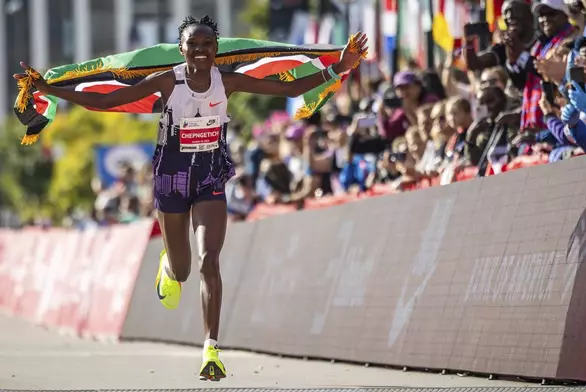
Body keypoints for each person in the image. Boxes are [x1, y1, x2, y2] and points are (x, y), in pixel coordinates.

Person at [14, 15, 368, 381]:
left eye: (207, 45)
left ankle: (211, 349)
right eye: (193, 45)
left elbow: (287, 90)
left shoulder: (225, 81)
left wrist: (337, 69)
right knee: (183, 270)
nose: (200, 51)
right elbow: (111, 99)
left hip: (210, 176)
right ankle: (169, 265)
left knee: (209, 260)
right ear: (181, 50)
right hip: (171, 179)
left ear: (217, 50)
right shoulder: (168, 81)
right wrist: (50, 90)